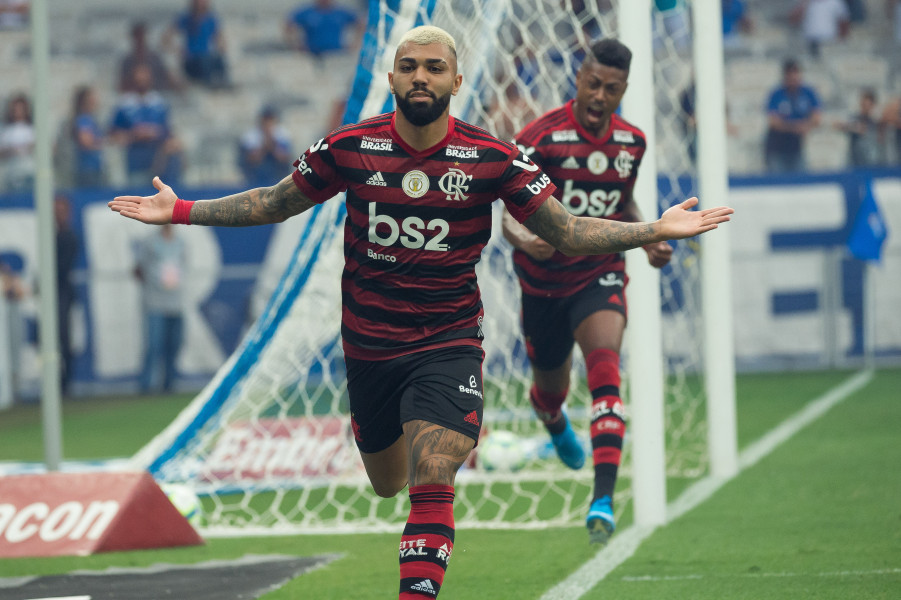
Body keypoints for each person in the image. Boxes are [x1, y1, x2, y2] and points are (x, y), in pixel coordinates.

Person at [108, 26, 733, 598]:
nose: (421, 77)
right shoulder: (349, 147)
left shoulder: (494, 157)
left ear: (456, 82)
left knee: (435, 473)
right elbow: (275, 202)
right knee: (387, 480)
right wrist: (183, 210)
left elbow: (566, 230)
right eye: (409, 66)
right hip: (370, 347)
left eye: (435, 68)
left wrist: (654, 227)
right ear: (392, 77)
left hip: (449, 342)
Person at [500, 38, 673, 547]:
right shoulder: (539, 139)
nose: (600, 96)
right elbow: (508, 215)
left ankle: (602, 498)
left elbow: (622, 203)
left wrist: (649, 239)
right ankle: (553, 420)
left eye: (612, 89)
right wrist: (527, 240)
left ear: (623, 90)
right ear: (578, 78)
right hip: (543, 285)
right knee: (550, 391)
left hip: (599, 273)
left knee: (605, 371)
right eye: (593, 83)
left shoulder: (631, 144)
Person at [109, 64, 183, 187]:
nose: (142, 82)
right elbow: (113, 132)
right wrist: (133, 134)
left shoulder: (159, 103)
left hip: (157, 157)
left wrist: (154, 133)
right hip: (135, 157)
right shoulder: (125, 104)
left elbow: (168, 131)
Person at [134, 223, 186, 393]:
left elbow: (183, 268)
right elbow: (138, 269)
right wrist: (152, 285)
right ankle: (146, 386)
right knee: (154, 345)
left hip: (176, 302)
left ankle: (169, 385)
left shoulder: (181, 242)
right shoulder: (150, 242)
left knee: (174, 344)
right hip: (155, 302)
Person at [763, 58, 822, 173]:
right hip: (777, 148)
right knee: (778, 181)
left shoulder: (807, 93)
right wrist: (795, 127)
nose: (793, 78)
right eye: (790, 75)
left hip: (796, 147)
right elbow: (773, 121)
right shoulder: (777, 94)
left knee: (801, 180)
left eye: (796, 74)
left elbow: (817, 117)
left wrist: (806, 126)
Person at [165, 0, 229, 88]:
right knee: (204, 61)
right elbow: (166, 37)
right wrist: (177, 50)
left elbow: (220, 39)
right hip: (192, 60)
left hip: (206, 58)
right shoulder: (186, 18)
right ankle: (208, 84)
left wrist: (221, 47)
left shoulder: (211, 19)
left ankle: (223, 83)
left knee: (218, 60)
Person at [54, 194, 79, 395]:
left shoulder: (68, 237)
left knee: (64, 338)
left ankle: (65, 383)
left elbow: (62, 269)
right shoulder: (52, 236)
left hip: (62, 293)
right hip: (54, 293)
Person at [119, 21, 182, 94]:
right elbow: (121, 86)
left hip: (156, 95)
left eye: (142, 36)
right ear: (133, 38)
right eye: (138, 36)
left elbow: (167, 77)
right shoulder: (127, 61)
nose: (140, 39)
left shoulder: (155, 58)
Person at [238, 105, 294, 186]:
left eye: (270, 120)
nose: (268, 123)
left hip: (277, 175)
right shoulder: (250, 136)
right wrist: (265, 144)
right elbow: (252, 160)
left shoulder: (282, 134)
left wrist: (271, 143)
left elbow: (284, 159)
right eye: (266, 120)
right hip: (256, 177)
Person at [284, 0, 362, 58]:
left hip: (335, 54)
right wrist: (295, 44)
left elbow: (360, 24)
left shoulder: (341, 12)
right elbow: (289, 25)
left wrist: (355, 43)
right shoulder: (307, 12)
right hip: (312, 55)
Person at [833, 88, 884, 167]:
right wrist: (855, 128)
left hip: (872, 162)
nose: (865, 107)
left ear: (873, 105)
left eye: (868, 105)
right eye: (863, 104)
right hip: (855, 163)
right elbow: (837, 125)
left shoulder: (875, 122)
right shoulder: (854, 118)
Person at [70, 86, 106, 188]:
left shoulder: (92, 119)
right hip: (88, 168)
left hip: (95, 167)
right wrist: (103, 143)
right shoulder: (84, 119)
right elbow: (85, 141)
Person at [0, 92, 35, 192]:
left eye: (21, 109)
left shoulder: (32, 129)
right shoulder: (6, 130)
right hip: (12, 174)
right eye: (15, 109)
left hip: (29, 172)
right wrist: (11, 151)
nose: (18, 111)